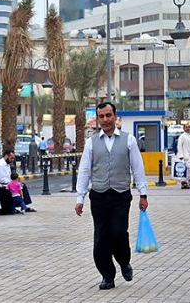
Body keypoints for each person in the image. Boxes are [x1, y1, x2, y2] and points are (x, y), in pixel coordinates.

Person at [75, 102, 148, 291]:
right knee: (101, 238)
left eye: (108, 115)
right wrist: (80, 198)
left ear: (116, 116)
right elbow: (84, 170)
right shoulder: (91, 143)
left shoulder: (129, 140)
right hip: (98, 196)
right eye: (101, 116)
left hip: (120, 195)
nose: (105, 120)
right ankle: (107, 276)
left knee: (118, 233)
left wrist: (143, 193)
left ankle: (124, 262)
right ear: (98, 119)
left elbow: (137, 168)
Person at [177, 123, 190, 189]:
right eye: (186, 127)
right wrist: (181, 155)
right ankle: (184, 180)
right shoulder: (182, 136)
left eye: (189, 127)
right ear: (184, 128)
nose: (188, 128)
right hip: (185, 155)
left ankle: (185, 181)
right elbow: (179, 146)